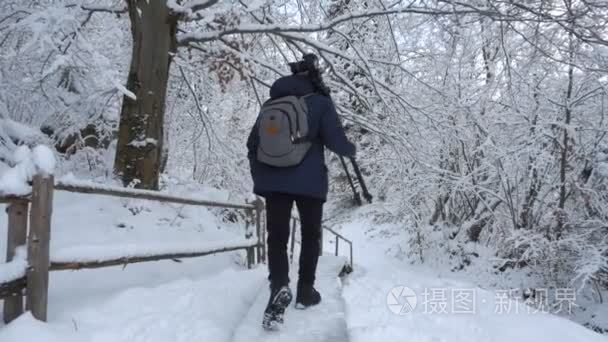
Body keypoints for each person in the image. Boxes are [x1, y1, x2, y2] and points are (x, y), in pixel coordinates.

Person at [247, 54, 356, 329]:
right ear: (314, 78)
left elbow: (252, 144)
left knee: (277, 238)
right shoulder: (320, 103)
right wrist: (352, 150)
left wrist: (261, 177)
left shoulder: (271, 103)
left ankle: (279, 285)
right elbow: (337, 142)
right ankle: (306, 291)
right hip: (309, 184)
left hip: (274, 182)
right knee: (310, 236)